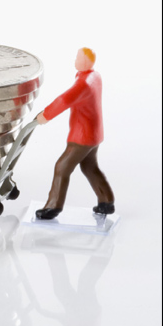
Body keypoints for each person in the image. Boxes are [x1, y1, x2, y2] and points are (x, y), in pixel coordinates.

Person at [35, 47, 115, 220]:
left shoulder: (83, 84)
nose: (75, 60)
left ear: (86, 62)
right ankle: (106, 201)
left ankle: (53, 206)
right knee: (89, 167)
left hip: (82, 136)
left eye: (78, 57)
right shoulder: (95, 76)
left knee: (62, 167)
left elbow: (64, 100)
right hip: (94, 134)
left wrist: (45, 115)